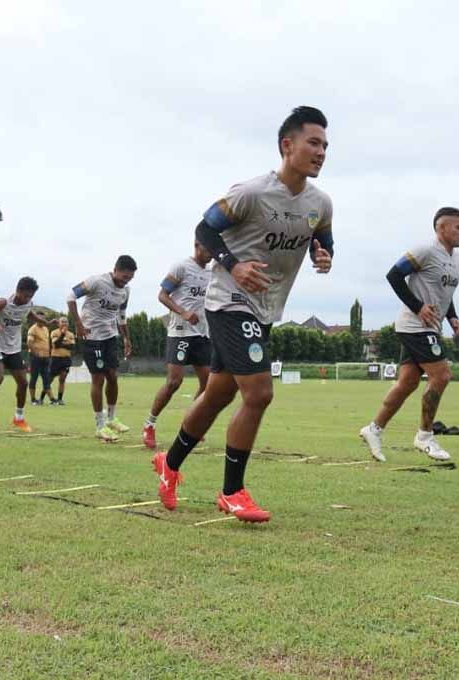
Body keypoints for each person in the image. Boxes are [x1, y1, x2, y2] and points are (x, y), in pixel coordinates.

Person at [152, 106, 334, 523]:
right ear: (287, 145)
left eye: (325, 145)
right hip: (229, 301)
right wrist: (233, 264)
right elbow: (204, 230)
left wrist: (324, 255)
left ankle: (170, 461)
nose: (321, 152)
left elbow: (323, 239)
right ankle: (232, 490)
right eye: (313, 143)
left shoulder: (319, 204)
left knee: (218, 394)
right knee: (260, 393)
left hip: (267, 309)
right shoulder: (251, 192)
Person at [359, 208, 459, 463]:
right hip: (415, 326)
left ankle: (374, 429)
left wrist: (452, 316)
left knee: (407, 382)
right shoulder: (425, 250)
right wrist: (418, 307)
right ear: (441, 228)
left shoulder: (458, 259)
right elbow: (394, 275)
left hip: (431, 327)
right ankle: (425, 436)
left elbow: (444, 293)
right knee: (442, 375)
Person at [143, 242, 212, 449]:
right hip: (180, 332)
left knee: (209, 384)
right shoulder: (180, 267)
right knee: (174, 382)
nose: (210, 255)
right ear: (197, 245)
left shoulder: (212, 273)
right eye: (208, 249)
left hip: (202, 333)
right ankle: (149, 424)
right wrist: (183, 312)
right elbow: (162, 295)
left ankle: (191, 424)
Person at [67, 256, 135, 441]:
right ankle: (99, 425)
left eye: (129, 278)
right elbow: (71, 296)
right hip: (91, 337)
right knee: (98, 379)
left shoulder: (125, 291)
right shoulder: (96, 281)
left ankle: (111, 418)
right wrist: (79, 324)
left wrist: (126, 338)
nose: (125, 281)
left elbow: (121, 315)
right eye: (123, 277)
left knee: (113, 377)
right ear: (115, 269)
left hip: (110, 337)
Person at [0, 276, 46, 433]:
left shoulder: (28, 304)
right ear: (18, 291)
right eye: (25, 295)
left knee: (23, 383)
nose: (28, 299)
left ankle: (18, 418)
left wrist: (44, 321)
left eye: (31, 296)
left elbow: (29, 314)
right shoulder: (3, 302)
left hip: (13, 348)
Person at [46, 318, 75, 405]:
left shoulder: (71, 334)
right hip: (56, 358)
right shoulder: (54, 332)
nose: (64, 323)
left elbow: (72, 347)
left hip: (66, 359)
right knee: (49, 379)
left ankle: (59, 399)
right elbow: (56, 345)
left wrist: (61, 344)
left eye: (66, 321)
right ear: (59, 323)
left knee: (62, 379)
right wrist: (62, 335)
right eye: (62, 321)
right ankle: (42, 398)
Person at [25, 316, 52, 405]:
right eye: (40, 319)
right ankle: (33, 399)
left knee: (46, 378)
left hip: (45, 357)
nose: (42, 320)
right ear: (36, 319)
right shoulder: (32, 329)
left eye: (43, 319)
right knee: (34, 377)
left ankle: (52, 399)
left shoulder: (46, 329)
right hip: (35, 358)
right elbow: (29, 342)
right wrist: (35, 353)